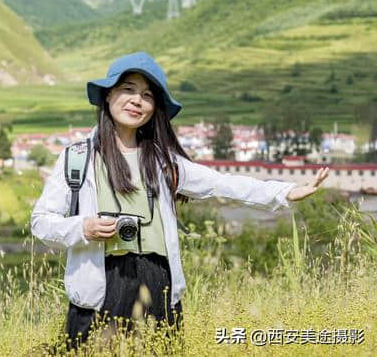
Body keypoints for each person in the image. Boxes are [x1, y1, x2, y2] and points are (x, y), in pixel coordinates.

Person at [30, 51, 329, 350]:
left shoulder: (162, 162)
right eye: (128, 90)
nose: (137, 101)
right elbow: (42, 222)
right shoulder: (78, 158)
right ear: (108, 95)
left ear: (154, 108)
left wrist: (284, 192)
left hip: (158, 287)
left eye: (147, 95)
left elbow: (221, 184)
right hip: (99, 287)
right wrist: (84, 228)